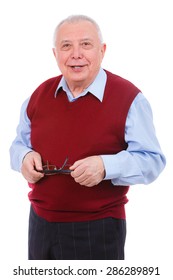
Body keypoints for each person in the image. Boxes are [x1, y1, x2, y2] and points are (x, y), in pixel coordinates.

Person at [10, 15, 166, 260]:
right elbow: (18, 144)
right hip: (39, 223)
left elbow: (152, 161)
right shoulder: (37, 96)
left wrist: (106, 167)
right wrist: (24, 157)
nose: (76, 54)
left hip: (98, 228)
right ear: (55, 54)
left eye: (85, 44)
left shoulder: (130, 98)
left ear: (102, 50)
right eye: (66, 46)